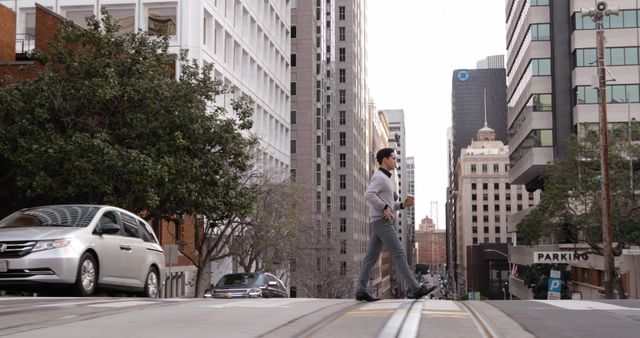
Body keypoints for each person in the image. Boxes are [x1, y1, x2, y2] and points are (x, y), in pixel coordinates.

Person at [355, 148, 436, 302]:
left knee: (370, 258)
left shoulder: (386, 179)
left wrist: (403, 205)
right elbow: (368, 194)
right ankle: (416, 288)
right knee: (399, 253)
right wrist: (384, 208)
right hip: (382, 221)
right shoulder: (379, 177)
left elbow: (390, 204)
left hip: (378, 221)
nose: (395, 161)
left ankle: (360, 290)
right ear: (384, 160)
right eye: (393, 158)